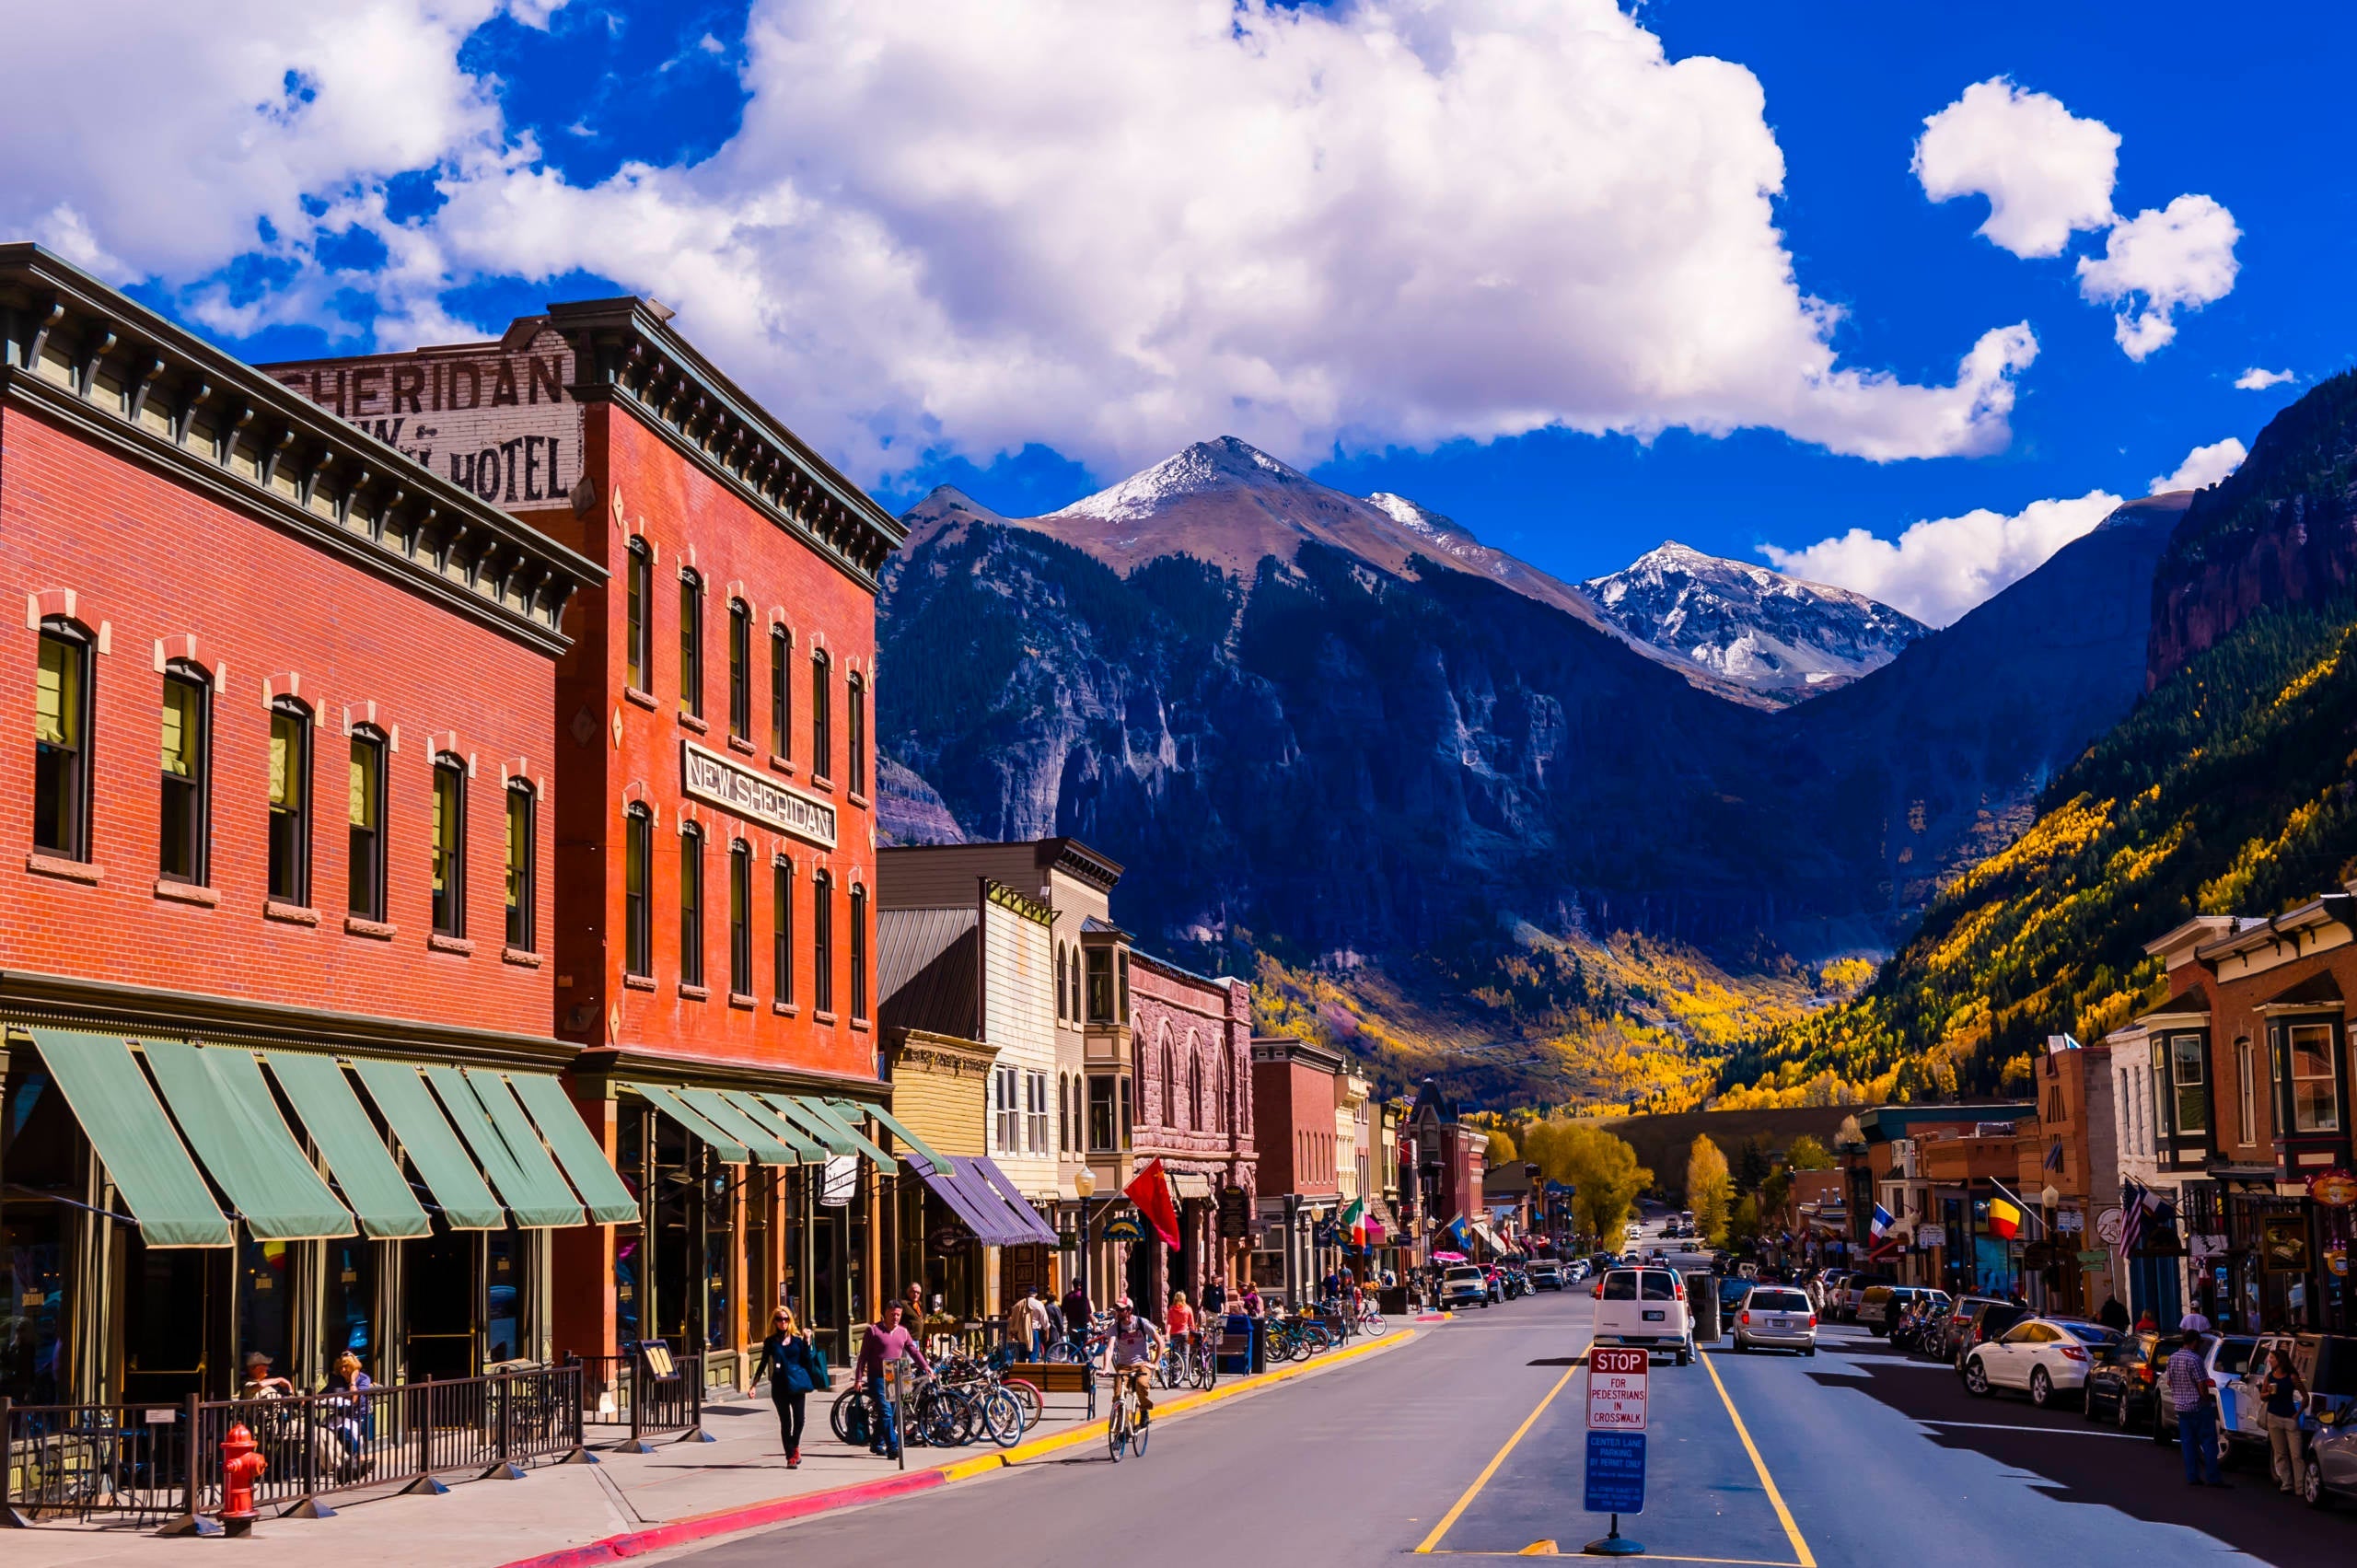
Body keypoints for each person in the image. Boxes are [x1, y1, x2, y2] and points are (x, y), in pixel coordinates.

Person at [853, 1301, 931, 1459]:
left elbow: (913, 1351)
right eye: (892, 1314)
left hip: (897, 1375)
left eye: (898, 1315)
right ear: (885, 1314)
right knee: (886, 1412)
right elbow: (863, 1357)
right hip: (879, 1377)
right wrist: (859, 1378)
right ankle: (893, 1447)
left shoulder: (903, 1332)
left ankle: (876, 1443)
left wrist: (926, 1366)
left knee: (892, 1413)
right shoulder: (873, 1331)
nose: (895, 1317)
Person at [751, 1306, 824, 1468]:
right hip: (779, 1386)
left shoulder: (797, 1340)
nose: (783, 1322)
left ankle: (795, 1445)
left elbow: (806, 1360)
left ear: (790, 1320)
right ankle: (790, 1456)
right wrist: (754, 1385)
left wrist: (807, 1341)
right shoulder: (771, 1342)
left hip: (797, 1385)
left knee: (800, 1420)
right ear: (774, 1322)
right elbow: (763, 1363)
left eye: (786, 1319)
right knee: (786, 1422)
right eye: (779, 1319)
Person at [2165, 1333, 2226, 1488]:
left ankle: (2192, 1475)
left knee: (2188, 1443)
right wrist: (2206, 1400)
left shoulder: (2172, 1358)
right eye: (2198, 1342)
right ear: (2194, 1343)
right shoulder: (2195, 1359)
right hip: (2198, 1406)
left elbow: (2169, 1381)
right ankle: (2212, 1477)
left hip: (2181, 1406)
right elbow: (2201, 1384)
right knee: (2208, 1441)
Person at [1100, 1298, 1167, 1421]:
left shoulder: (1141, 1323)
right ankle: (1121, 1426)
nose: (1118, 1313)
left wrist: (1155, 1364)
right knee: (1118, 1394)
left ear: (1129, 1310)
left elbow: (1160, 1343)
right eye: (1117, 1310)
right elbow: (1109, 1348)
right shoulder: (1115, 1328)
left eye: (1121, 1310)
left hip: (1142, 1363)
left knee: (1141, 1384)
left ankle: (1144, 1409)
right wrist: (1105, 1368)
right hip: (1124, 1366)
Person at [2257, 1345, 2307, 1494]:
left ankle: (2300, 1487)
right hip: (2273, 1417)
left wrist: (2297, 1414)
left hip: (2290, 1418)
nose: (2269, 1360)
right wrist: (2269, 1394)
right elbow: (2262, 1396)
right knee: (2280, 1453)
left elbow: (2305, 1397)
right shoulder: (2270, 1377)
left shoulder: (2291, 1377)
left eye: (2272, 1358)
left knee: (2297, 1454)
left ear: (2280, 1360)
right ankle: (2287, 1483)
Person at [1167, 1289, 1198, 1365]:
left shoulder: (1171, 1309)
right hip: (1185, 1333)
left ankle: (1177, 1374)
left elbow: (1169, 1323)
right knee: (1185, 1354)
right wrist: (1192, 1336)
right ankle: (1185, 1373)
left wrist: (1167, 1333)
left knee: (1175, 1354)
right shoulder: (1188, 1309)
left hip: (1174, 1334)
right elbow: (1192, 1324)